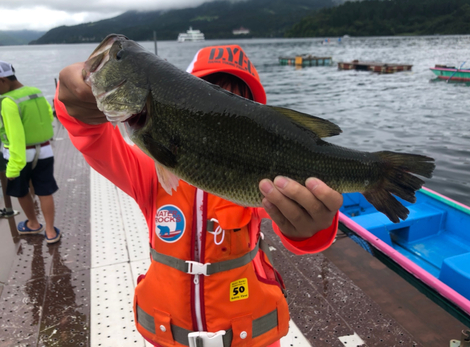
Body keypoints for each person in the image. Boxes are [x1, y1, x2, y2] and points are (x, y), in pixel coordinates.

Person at [56, 44, 343, 347]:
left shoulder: (259, 182)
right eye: (205, 100)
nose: (218, 123)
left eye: (235, 109)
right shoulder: (148, 170)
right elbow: (93, 140)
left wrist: (313, 229)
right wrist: (74, 104)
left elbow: (300, 228)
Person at [0, 61, 60, 243]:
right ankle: (50, 232)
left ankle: (33, 224)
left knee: (21, 190)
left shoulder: (8, 101)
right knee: (45, 191)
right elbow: (49, 116)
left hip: (20, 155)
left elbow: (16, 137)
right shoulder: (36, 92)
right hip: (45, 151)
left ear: (2, 80)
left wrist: (13, 168)